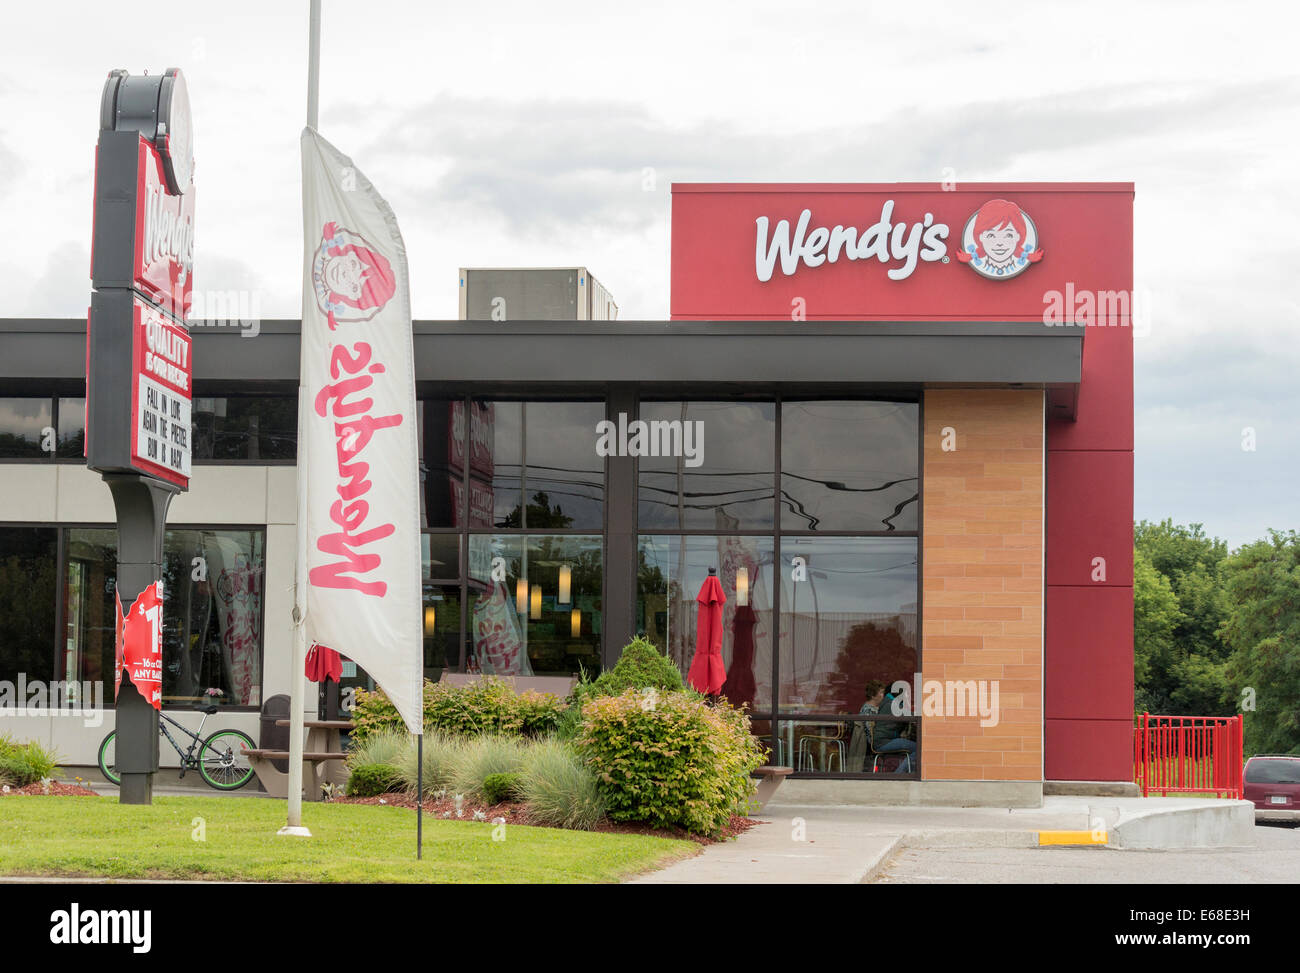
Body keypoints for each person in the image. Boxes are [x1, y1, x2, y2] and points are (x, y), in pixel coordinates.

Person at [861, 680, 917, 773]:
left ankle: (906, 773)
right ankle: (898, 775)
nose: (907, 696)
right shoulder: (892, 704)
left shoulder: (889, 702)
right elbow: (908, 715)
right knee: (918, 748)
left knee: (915, 746)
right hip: (883, 742)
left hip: (884, 740)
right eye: (906, 694)